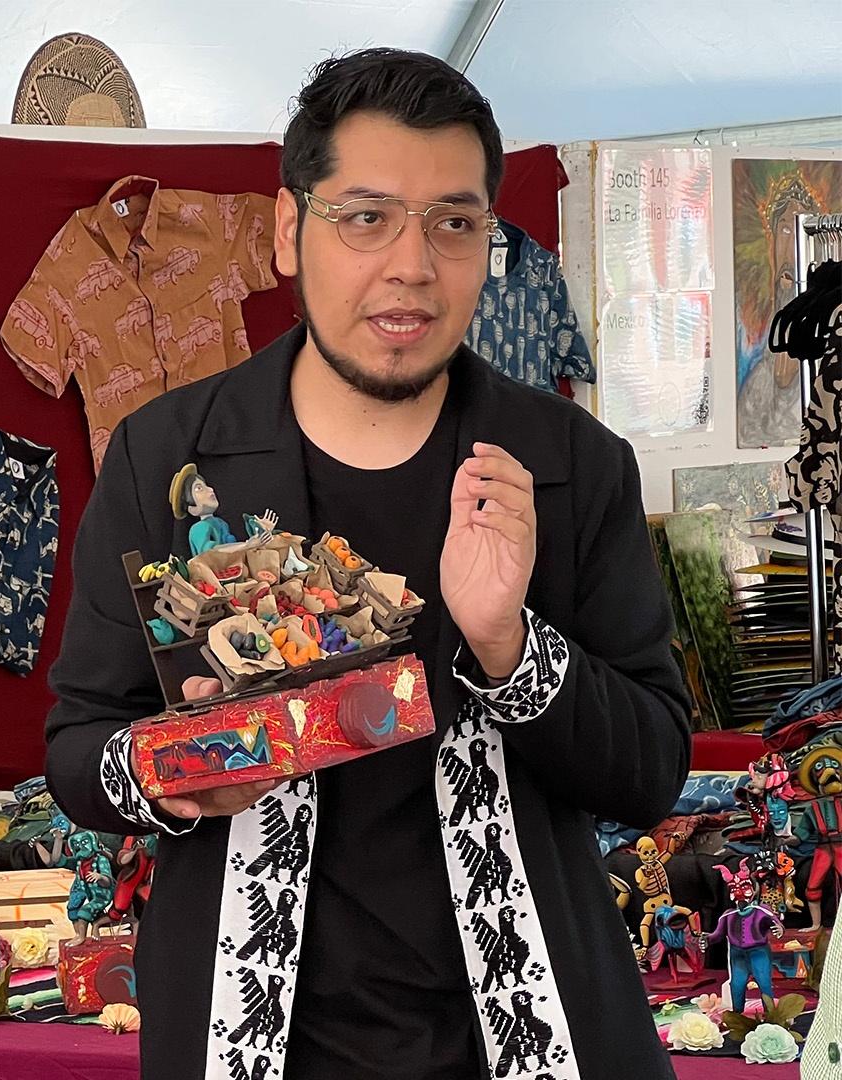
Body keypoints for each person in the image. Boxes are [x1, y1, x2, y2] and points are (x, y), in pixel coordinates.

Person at [43, 48, 689, 1080]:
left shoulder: (567, 465)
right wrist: (183, 767)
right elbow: (79, 744)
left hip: (529, 1039)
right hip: (254, 1042)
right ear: (291, 229)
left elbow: (655, 767)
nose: (412, 265)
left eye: (454, 223)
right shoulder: (172, 459)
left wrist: (509, 648)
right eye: (366, 217)